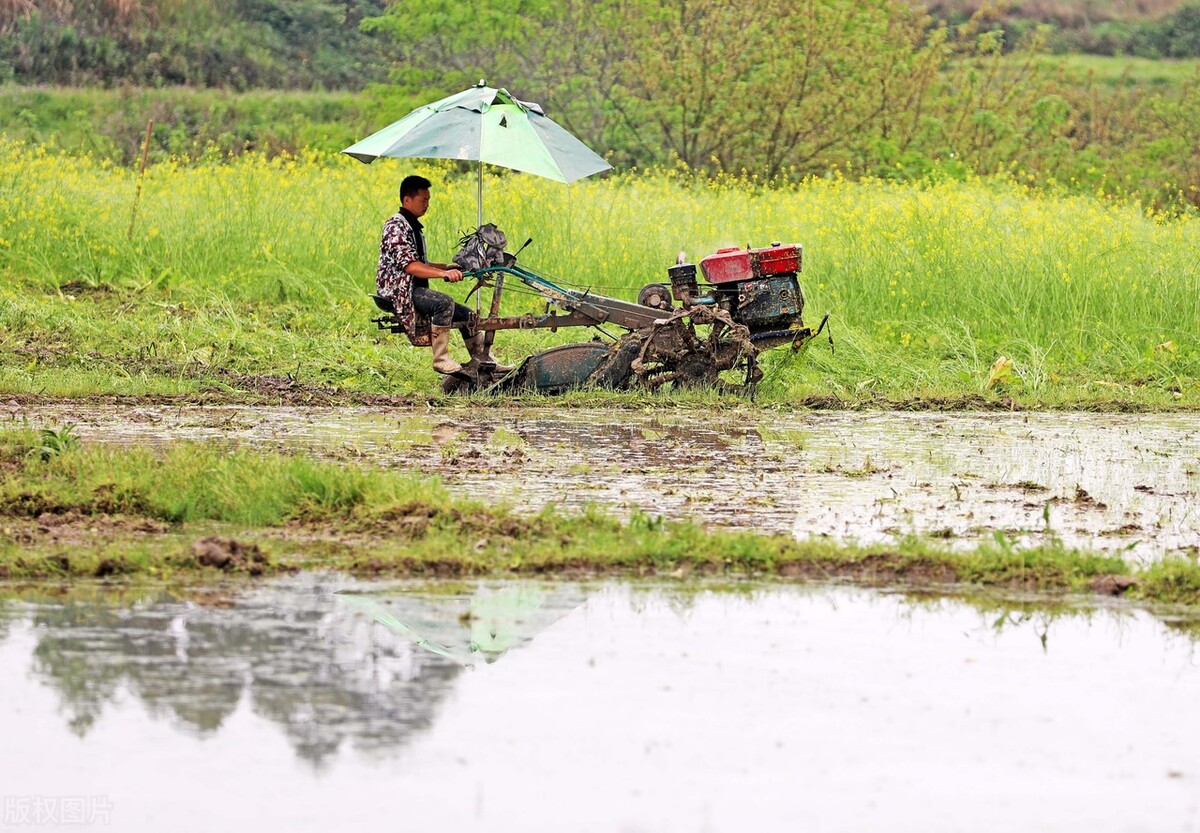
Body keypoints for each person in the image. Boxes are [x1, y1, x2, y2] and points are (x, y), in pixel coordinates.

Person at [376, 175, 513, 375]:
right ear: (407, 200)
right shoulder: (396, 227)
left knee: (467, 316)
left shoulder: (411, 226)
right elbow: (411, 266)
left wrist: (448, 266)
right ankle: (441, 360)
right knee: (443, 303)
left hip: (412, 288)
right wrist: (443, 274)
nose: (427, 204)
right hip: (398, 291)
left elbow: (420, 262)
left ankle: (484, 360)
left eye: (428, 200)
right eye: (424, 200)